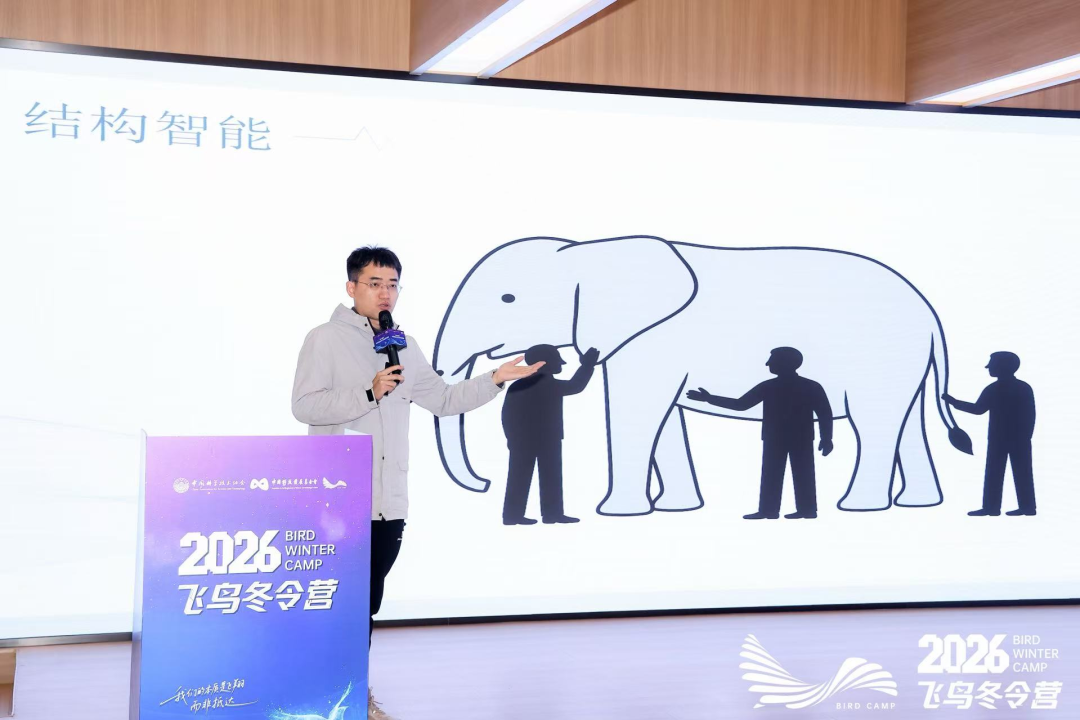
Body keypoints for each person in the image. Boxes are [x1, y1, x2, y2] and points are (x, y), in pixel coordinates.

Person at [291, 247, 543, 720]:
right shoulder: (324, 338)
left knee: (366, 604)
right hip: (339, 501)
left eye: (392, 285)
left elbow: (443, 400)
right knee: (342, 606)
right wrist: (368, 391)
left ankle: (346, 695)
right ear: (351, 287)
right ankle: (344, 698)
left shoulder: (403, 344)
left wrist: (495, 378)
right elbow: (304, 405)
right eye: (374, 284)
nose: (385, 293)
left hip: (389, 501)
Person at [686, 347, 833, 520]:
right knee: (787, 473)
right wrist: (826, 438)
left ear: (784, 363)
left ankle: (778, 510)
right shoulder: (806, 386)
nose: (767, 363)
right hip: (787, 437)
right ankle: (797, 510)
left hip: (781, 437)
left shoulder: (775, 386)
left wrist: (827, 438)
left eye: (772, 360)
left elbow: (824, 412)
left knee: (784, 473)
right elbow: (741, 404)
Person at [501, 344, 600, 525]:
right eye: (557, 361)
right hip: (543, 439)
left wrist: (512, 438)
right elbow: (575, 386)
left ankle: (516, 515)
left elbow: (506, 415)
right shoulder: (547, 384)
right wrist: (587, 366)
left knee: (523, 477)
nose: (560, 364)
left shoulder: (518, 385)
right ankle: (549, 514)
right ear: (545, 363)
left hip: (532, 440)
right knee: (547, 477)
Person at [944, 351, 1036, 517]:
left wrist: (954, 402)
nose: (988, 368)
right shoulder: (1023, 387)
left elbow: (978, 409)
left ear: (1002, 367)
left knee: (996, 472)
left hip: (1001, 438)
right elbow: (1031, 415)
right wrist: (1026, 436)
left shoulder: (994, 389)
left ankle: (993, 508)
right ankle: (1025, 508)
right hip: (1013, 439)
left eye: (992, 364)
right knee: (1018, 472)